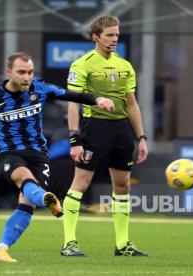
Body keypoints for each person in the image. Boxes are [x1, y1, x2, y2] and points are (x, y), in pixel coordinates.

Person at [0, 52, 114, 263]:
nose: (27, 77)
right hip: (9, 152)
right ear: (9, 72)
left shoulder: (40, 89)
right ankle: (46, 198)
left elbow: (73, 95)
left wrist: (98, 98)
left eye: (30, 72)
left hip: (38, 154)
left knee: (26, 203)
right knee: (24, 179)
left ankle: (1, 249)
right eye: (21, 72)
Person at [62, 15, 148, 257]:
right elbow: (72, 105)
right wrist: (74, 139)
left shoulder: (125, 66)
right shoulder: (82, 65)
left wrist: (141, 137)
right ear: (95, 37)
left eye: (117, 35)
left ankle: (122, 245)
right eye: (109, 35)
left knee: (122, 185)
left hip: (121, 131)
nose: (114, 39)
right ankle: (69, 242)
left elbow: (131, 104)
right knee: (81, 182)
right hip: (94, 128)